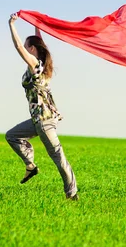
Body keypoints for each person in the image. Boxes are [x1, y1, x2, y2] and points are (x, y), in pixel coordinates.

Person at [5, 13, 78, 200]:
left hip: (44, 121)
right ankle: (30, 166)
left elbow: (19, 47)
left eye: (29, 47)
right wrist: (37, 24)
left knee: (58, 157)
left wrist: (11, 25)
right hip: (38, 120)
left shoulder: (35, 65)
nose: (26, 50)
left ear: (32, 49)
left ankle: (72, 193)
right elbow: (38, 43)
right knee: (12, 136)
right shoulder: (44, 64)